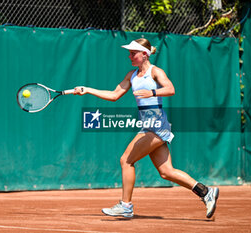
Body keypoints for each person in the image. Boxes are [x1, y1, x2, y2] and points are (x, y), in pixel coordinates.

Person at [73, 38, 219, 218]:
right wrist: (87, 89)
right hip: (147, 127)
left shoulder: (155, 72)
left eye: (133, 53)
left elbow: (170, 89)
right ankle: (205, 192)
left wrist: (152, 92)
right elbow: (114, 94)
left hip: (156, 127)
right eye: (130, 53)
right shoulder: (131, 75)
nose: (130, 56)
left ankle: (126, 206)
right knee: (167, 172)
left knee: (126, 160)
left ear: (144, 54)